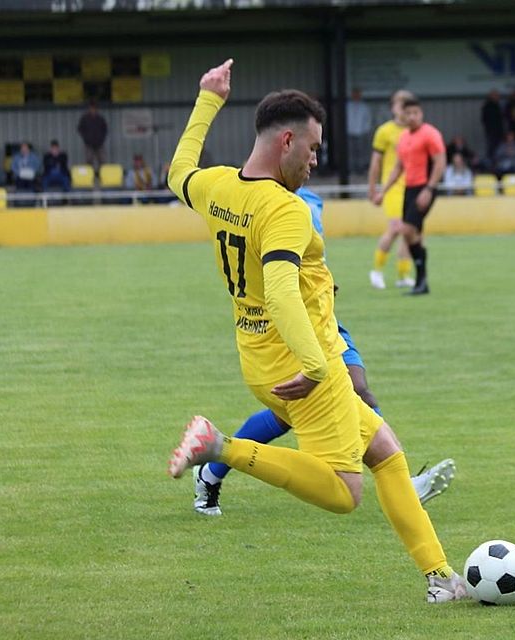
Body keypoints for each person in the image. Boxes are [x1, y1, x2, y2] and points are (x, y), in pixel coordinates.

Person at [166, 59, 467, 604]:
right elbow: (282, 291)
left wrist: (207, 98)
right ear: (286, 141)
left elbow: (177, 171)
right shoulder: (285, 209)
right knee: (345, 491)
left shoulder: (216, 187)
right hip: (301, 363)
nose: (315, 160)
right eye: (312, 148)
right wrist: (316, 366)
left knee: (387, 453)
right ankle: (221, 448)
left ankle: (439, 578)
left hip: (258, 356)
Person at [193, 185, 457, 516]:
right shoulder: (261, 201)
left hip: (324, 320)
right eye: (310, 148)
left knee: (358, 389)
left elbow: (312, 260)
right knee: (285, 415)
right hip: (287, 328)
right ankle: (211, 470)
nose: (312, 158)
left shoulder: (309, 201)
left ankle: (402, 480)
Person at [375, 97, 447, 296]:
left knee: (407, 230)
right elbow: (398, 167)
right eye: (409, 113)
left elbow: (440, 162)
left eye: (416, 113)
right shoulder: (404, 138)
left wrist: (430, 189)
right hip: (409, 188)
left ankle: (420, 280)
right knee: (414, 234)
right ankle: (421, 282)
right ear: (403, 115)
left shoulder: (430, 134)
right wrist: (383, 191)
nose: (412, 117)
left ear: (421, 114)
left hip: (425, 188)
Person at [368, 90, 415, 290]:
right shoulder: (385, 131)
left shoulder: (416, 131)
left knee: (408, 231)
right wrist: (373, 189)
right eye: (399, 104)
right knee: (396, 228)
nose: (402, 109)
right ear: (393, 107)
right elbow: (376, 162)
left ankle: (403, 275)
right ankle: (377, 271)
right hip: (393, 188)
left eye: (406, 105)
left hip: (412, 185)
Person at [346, 88, 372, 173]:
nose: (356, 96)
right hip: (349, 132)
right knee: (350, 151)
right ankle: (351, 168)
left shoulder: (364, 106)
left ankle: (360, 168)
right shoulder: (347, 106)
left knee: (361, 151)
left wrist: (365, 131)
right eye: (354, 94)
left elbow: (367, 119)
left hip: (361, 132)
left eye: (358, 94)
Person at [77, 100, 108, 171]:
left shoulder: (101, 118)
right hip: (89, 144)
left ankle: (102, 176)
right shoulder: (84, 118)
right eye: (92, 108)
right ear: (89, 108)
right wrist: (85, 137)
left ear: (96, 109)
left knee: (102, 160)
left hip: (100, 144)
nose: (93, 110)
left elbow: (105, 129)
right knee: (89, 161)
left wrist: (102, 138)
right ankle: (90, 176)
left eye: (95, 108)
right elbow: (80, 129)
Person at [480, 89, 505, 165]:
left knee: (500, 147)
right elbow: (484, 119)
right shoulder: (487, 106)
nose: (497, 97)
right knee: (492, 148)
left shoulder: (498, 105)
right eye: (495, 95)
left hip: (499, 131)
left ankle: (498, 162)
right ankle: (491, 164)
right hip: (491, 131)